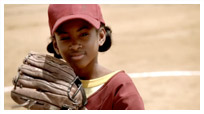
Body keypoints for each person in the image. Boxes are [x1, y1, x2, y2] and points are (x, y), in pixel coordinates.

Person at [47, 4, 144, 110]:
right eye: (65, 38)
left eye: (84, 34)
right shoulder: (50, 89)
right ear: (56, 45)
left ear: (101, 36)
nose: (75, 45)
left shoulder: (119, 86)